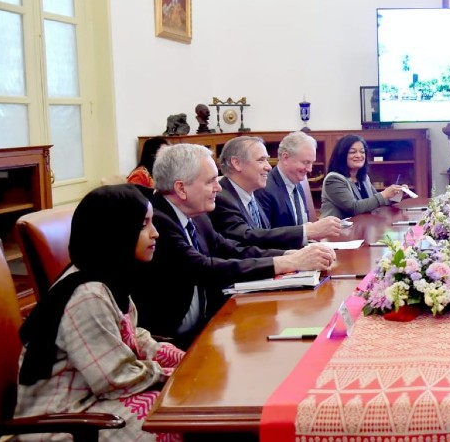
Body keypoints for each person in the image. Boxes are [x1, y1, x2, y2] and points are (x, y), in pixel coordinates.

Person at [15, 184, 184, 442]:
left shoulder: (109, 275)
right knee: (177, 413)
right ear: (115, 231)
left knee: (182, 404)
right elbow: (116, 378)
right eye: (143, 225)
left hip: (92, 400)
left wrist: (179, 358)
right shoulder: (89, 294)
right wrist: (170, 374)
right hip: (62, 420)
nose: (155, 233)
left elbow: (133, 335)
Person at [133, 143, 336, 345]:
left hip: (206, 326)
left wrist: (288, 255)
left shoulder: (196, 215)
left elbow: (230, 249)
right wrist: (288, 263)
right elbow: (204, 268)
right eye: (211, 181)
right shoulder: (157, 221)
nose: (219, 187)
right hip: (170, 342)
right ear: (181, 188)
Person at [210, 136, 341, 249]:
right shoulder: (221, 198)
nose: (268, 166)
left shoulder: (251, 193)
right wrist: (306, 232)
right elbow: (246, 240)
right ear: (236, 163)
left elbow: (265, 238)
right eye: (261, 160)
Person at [258, 132, 341, 239]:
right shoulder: (264, 188)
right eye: (305, 162)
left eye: (311, 163)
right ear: (285, 158)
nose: (310, 169)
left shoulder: (298, 182)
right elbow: (267, 238)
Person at [320, 134, 404, 218]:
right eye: (353, 152)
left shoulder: (364, 178)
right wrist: (384, 194)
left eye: (362, 152)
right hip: (338, 229)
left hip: (361, 227)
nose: (359, 155)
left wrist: (396, 194)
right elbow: (354, 208)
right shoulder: (333, 179)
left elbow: (376, 202)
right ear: (342, 155)